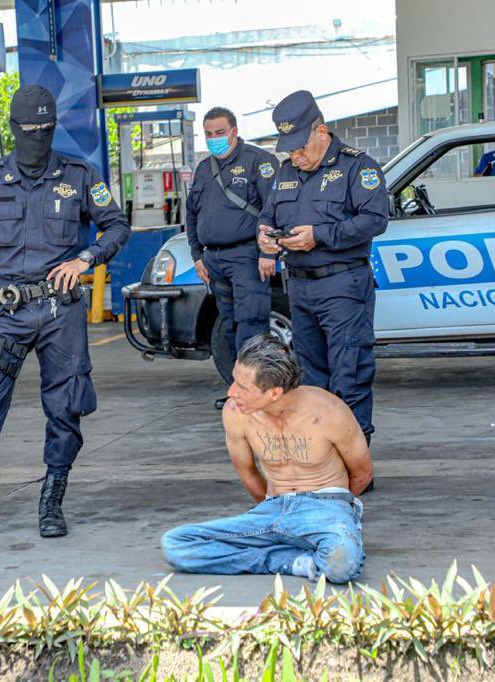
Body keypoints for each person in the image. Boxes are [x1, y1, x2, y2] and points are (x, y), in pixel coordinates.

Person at [0, 85, 131, 545]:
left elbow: (117, 225)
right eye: (29, 130)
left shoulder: (80, 175)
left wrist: (87, 258)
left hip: (60, 311)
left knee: (65, 408)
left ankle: (52, 500)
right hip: (3, 313)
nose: (38, 137)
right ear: (13, 129)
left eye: (46, 129)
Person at [162, 334, 373, 584]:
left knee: (340, 564)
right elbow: (248, 472)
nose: (231, 392)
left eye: (242, 387)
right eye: (233, 382)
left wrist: (338, 513)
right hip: (272, 509)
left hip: (325, 506)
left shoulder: (329, 411)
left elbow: (362, 473)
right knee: (176, 544)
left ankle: (292, 551)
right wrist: (269, 506)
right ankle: (294, 562)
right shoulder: (236, 413)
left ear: (274, 393)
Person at [258, 91, 389, 443]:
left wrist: (320, 235)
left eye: (300, 146)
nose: (295, 156)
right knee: (312, 379)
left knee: (349, 373)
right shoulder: (286, 171)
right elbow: (268, 216)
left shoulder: (357, 166)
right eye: (289, 149)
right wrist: (265, 238)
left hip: (343, 285)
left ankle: (354, 463)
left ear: (321, 131)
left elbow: (375, 220)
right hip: (300, 287)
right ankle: (323, 458)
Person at [186, 106, 279, 409]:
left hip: (247, 256)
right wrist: (197, 254)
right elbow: (191, 213)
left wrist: (267, 252)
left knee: (252, 324)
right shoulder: (204, 168)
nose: (214, 139)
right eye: (209, 134)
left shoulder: (259, 161)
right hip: (214, 261)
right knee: (229, 327)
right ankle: (240, 389)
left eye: (219, 133)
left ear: (234, 132)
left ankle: (258, 393)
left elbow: (274, 208)